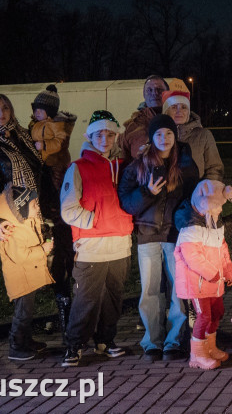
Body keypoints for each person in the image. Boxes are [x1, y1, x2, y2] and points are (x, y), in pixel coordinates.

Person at [0, 93, 54, 361]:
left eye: (5, 107)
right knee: (24, 280)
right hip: (11, 216)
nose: (1, 112)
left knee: (34, 273)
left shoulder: (21, 137)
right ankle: (17, 343)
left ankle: (24, 338)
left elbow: (39, 171)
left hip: (33, 211)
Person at [118, 113, 200, 361]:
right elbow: (126, 202)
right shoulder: (138, 166)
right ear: (152, 138)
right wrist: (147, 192)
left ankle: (173, 340)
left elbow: (193, 197)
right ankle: (152, 340)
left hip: (175, 236)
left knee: (178, 290)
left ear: (175, 137)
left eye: (169, 133)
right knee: (150, 291)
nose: (164, 138)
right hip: (147, 235)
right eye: (159, 134)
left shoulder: (184, 164)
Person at [59, 111, 133, 367]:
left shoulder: (123, 166)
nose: (105, 138)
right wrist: (95, 222)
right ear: (89, 136)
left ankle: (105, 341)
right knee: (86, 300)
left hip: (120, 244)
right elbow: (68, 210)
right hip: (91, 246)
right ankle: (74, 345)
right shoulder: (78, 168)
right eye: (99, 134)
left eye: (110, 134)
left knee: (113, 298)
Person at [28, 83, 78, 341]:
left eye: (41, 110)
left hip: (54, 176)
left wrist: (41, 148)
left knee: (62, 244)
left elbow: (58, 145)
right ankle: (62, 301)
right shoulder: (34, 125)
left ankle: (69, 307)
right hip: (43, 179)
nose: (37, 114)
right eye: (35, 110)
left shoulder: (59, 125)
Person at [174, 180, 232, 369]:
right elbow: (192, 256)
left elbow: (223, 249)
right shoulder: (190, 227)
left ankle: (210, 346)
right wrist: (213, 273)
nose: (220, 210)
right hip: (198, 283)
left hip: (213, 281)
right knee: (204, 317)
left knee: (217, 312)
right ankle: (198, 353)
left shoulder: (214, 223)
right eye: (217, 206)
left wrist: (227, 271)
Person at [162, 90, 224, 181]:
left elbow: (215, 167)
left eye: (184, 107)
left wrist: (205, 189)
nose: (179, 111)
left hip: (197, 192)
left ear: (188, 112)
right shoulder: (158, 136)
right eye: (174, 107)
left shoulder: (203, 135)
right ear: (166, 111)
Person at [120, 75, 169, 162]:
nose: (154, 93)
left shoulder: (178, 121)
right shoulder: (132, 126)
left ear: (167, 93)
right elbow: (124, 161)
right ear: (143, 94)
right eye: (149, 90)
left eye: (159, 89)